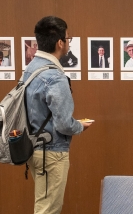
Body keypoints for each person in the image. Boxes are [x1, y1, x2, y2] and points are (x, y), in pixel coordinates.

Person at [24, 16, 92, 214]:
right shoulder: (55, 76)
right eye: (69, 39)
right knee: (48, 210)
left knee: (44, 207)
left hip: (33, 147)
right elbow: (63, 124)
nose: (69, 42)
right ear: (60, 42)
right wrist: (79, 126)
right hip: (52, 153)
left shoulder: (31, 68)